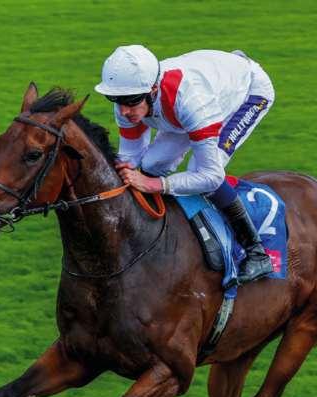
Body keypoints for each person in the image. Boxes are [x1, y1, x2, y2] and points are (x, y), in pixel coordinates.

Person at [94, 45, 275, 284]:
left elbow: (210, 176)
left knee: (200, 174)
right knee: (153, 163)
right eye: (116, 101)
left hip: (244, 95)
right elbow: (130, 157)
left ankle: (256, 252)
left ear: (153, 89)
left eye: (131, 101)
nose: (124, 110)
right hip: (184, 109)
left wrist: (156, 184)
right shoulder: (130, 99)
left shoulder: (193, 102)